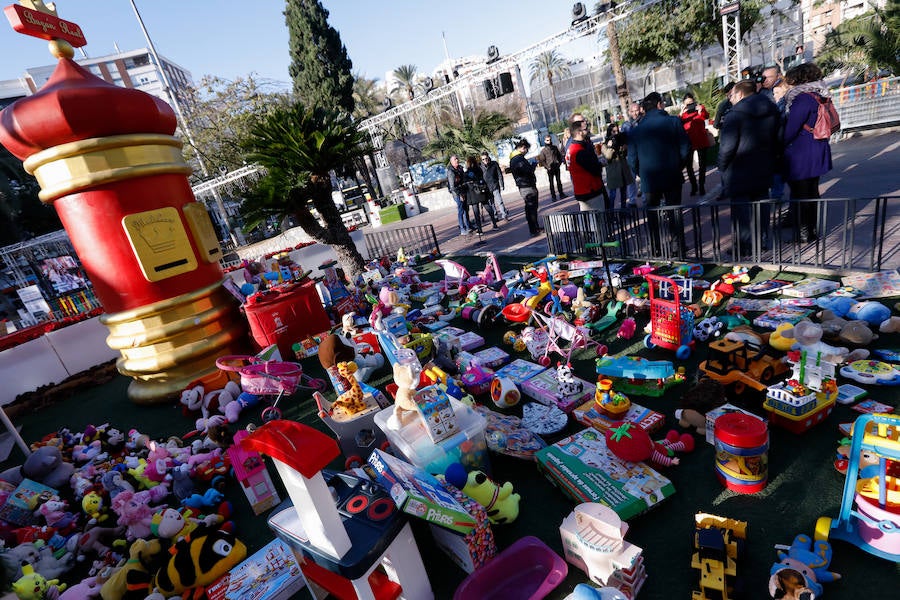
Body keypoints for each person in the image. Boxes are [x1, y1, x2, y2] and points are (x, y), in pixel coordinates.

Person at [718, 79, 781, 257]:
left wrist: (722, 166)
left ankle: (744, 246)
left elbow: (727, 147)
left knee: (741, 211)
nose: (730, 99)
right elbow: (779, 137)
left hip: (739, 170)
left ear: (739, 94)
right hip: (764, 166)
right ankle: (761, 241)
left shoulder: (734, 115)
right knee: (761, 206)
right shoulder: (772, 109)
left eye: (731, 96)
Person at [628, 92, 691, 255]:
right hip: (672, 175)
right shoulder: (673, 122)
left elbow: (632, 159)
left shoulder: (636, 130)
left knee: (652, 216)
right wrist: (678, 166)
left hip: (650, 179)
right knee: (674, 213)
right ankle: (678, 247)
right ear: (659, 105)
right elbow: (686, 148)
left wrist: (641, 173)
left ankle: (656, 248)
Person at [781, 62, 833, 243]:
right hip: (817, 148)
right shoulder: (819, 93)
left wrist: (779, 143)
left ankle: (805, 234)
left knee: (802, 194)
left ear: (798, 78)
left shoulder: (802, 98)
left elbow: (791, 129)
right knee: (811, 192)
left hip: (802, 152)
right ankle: (810, 231)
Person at [564, 113, 609, 211]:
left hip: (585, 190)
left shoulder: (577, 146)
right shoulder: (578, 149)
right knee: (597, 222)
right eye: (584, 128)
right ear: (578, 131)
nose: (587, 129)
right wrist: (601, 164)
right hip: (589, 190)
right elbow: (594, 169)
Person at [680, 93, 711, 196]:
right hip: (689, 142)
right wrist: (681, 112)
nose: (690, 105)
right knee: (689, 166)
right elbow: (678, 123)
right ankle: (694, 186)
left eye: (691, 103)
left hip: (701, 140)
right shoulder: (683, 114)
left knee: (702, 165)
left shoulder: (700, 109)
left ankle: (701, 185)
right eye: (687, 104)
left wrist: (700, 110)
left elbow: (706, 117)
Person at [509, 139, 542, 236]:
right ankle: (534, 229)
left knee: (530, 208)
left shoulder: (514, 158)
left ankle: (534, 227)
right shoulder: (518, 159)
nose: (527, 151)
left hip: (524, 186)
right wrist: (533, 165)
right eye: (526, 149)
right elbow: (527, 171)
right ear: (523, 148)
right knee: (531, 208)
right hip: (527, 186)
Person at [601, 122, 636, 209]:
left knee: (624, 194)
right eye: (614, 131)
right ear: (610, 132)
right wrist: (611, 146)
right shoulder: (604, 145)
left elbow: (626, 153)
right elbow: (608, 157)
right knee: (613, 195)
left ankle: (623, 212)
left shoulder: (620, 140)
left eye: (617, 131)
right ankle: (612, 214)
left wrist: (624, 147)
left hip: (623, 172)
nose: (616, 133)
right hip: (613, 174)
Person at [463, 155, 498, 233]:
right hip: (481, 191)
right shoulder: (479, 169)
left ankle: (480, 229)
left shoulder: (467, 173)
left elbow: (466, 183)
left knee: (476, 212)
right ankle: (495, 224)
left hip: (473, 194)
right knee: (488, 207)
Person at [620, 102, 643, 204]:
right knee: (631, 180)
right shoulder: (625, 125)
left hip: (643, 154)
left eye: (636, 110)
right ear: (629, 112)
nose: (635, 113)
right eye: (632, 111)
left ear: (640, 109)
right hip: (631, 156)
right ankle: (632, 201)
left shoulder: (644, 121)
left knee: (644, 177)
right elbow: (623, 142)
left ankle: (645, 199)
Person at [447, 154, 472, 235]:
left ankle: (468, 226)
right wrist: (460, 194)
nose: (457, 160)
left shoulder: (460, 168)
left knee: (466, 209)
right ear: (451, 162)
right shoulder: (451, 172)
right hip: (457, 194)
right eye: (455, 159)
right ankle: (462, 229)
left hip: (463, 191)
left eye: (457, 159)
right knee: (461, 210)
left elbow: (463, 179)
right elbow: (452, 187)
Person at [537, 134, 567, 201]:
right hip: (550, 168)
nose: (549, 141)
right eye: (547, 140)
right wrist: (547, 167)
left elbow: (559, 156)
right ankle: (553, 196)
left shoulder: (554, 147)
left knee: (559, 181)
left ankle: (561, 194)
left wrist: (559, 163)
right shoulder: (543, 151)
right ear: (545, 141)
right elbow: (542, 160)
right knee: (551, 183)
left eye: (550, 140)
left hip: (556, 167)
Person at [480, 152, 508, 220]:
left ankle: (504, 215)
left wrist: (502, 185)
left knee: (499, 201)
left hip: (495, 186)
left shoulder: (494, 164)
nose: (485, 160)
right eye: (483, 159)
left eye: (486, 158)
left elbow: (499, 175)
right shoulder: (480, 167)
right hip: (487, 188)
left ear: (488, 157)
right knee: (491, 203)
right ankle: (495, 216)